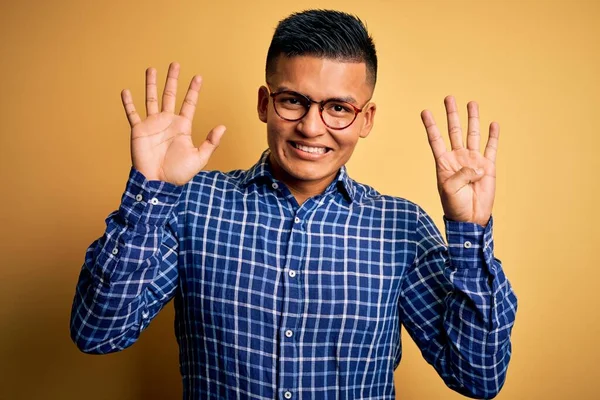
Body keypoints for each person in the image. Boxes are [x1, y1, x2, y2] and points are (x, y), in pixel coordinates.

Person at [70, 9, 517, 400]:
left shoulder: (402, 228)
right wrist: (152, 191)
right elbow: (98, 332)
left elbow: (477, 376)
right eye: (293, 101)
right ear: (265, 103)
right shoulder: (190, 206)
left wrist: (469, 231)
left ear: (365, 119)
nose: (311, 127)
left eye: (338, 108)